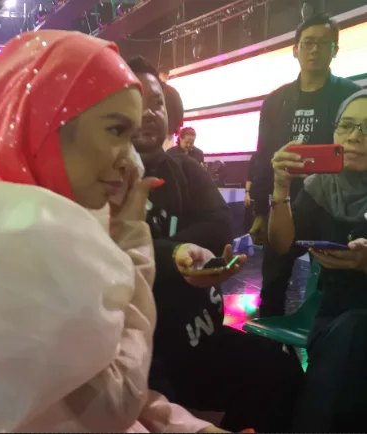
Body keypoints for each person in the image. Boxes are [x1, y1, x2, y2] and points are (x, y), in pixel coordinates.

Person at [0, 31, 226, 433]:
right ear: (46, 126)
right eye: (115, 131)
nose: (129, 160)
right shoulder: (22, 254)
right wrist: (132, 239)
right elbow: (115, 403)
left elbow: (89, 395)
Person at [129, 56, 303, 432]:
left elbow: (218, 228)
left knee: (281, 369)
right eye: (136, 100)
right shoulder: (105, 179)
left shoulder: (186, 169)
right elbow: (113, 250)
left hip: (203, 339)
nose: (148, 112)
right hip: (146, 358)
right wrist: (173, 254)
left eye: (157, 102)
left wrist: (158, 251)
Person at [250, 13, 361, 317]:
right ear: (295, 50)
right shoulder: (276, 101)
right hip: (282, 203)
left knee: (333, 285)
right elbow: (263, 156)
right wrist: (258, 212)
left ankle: (327, 337)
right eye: (308, 43)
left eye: (323, 43)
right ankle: (269, 340)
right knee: (272, 285)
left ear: (335, 50)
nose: (314, 50)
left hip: (330, 207)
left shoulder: (350, 96)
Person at [268, 90, 367, 432]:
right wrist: (281, 187)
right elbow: (283, 245)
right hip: (334, 315)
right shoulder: (320, 187)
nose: (355, 137)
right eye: (347, 126)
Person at [157, 67, 184, 152]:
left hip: (155, 128)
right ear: (167, 76)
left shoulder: (153, 89)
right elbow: (179, 110)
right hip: (169, 129)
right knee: (168, 152)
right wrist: (177, 127)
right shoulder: (173, 91)